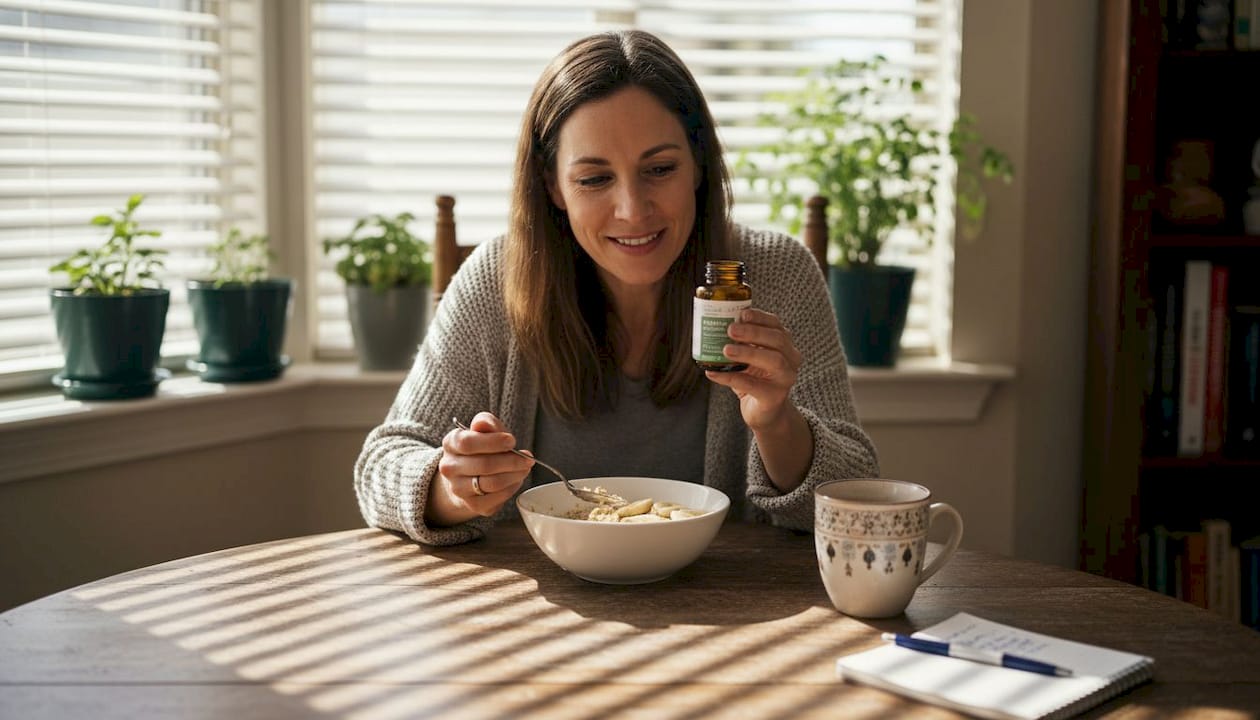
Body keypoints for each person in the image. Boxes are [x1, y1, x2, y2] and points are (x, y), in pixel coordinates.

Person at [354, 29, 879, 545]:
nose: (632, 210)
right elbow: (383, 463)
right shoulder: (498, 278)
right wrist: (456, 488)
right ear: (552, 186)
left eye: (659, 168)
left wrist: (776, 421)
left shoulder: (776, 275)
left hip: (733, 610)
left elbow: (860, 502)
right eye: (594, 179)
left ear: (698, 165)